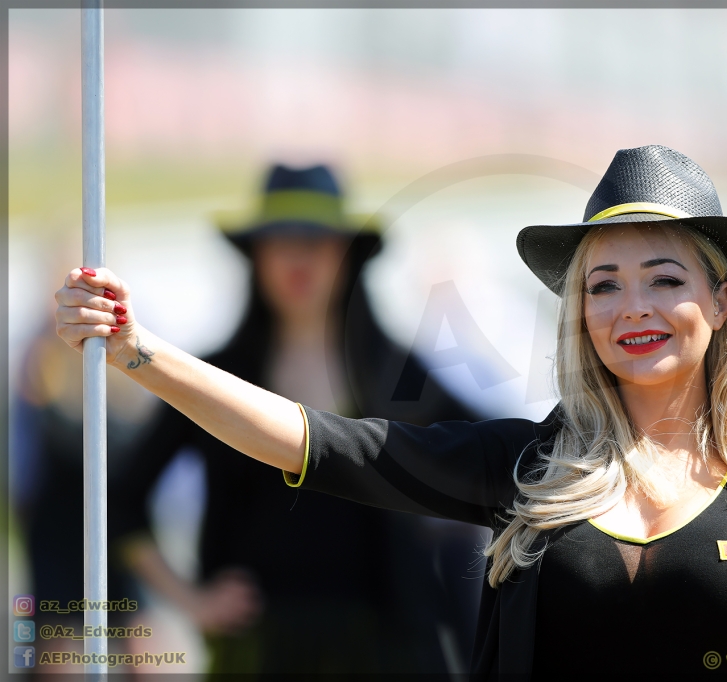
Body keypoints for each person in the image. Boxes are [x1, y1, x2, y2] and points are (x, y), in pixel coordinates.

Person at [55, 146, 727, 681]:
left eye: (663, 278)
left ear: (721, 302)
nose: (631, 307)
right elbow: (322, 443)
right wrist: (141, 352)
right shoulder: (528, 469)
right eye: (603, 286)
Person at [106, 164, 485, 675]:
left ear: (347, 257)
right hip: (259, 649)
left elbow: (491, 458)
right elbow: (121, 500)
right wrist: (191, 600)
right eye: (281, 241)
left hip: (390, 645)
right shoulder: (215, 376)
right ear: (256, 257)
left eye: (319, 241)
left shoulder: (397, 370)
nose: (300, 258)